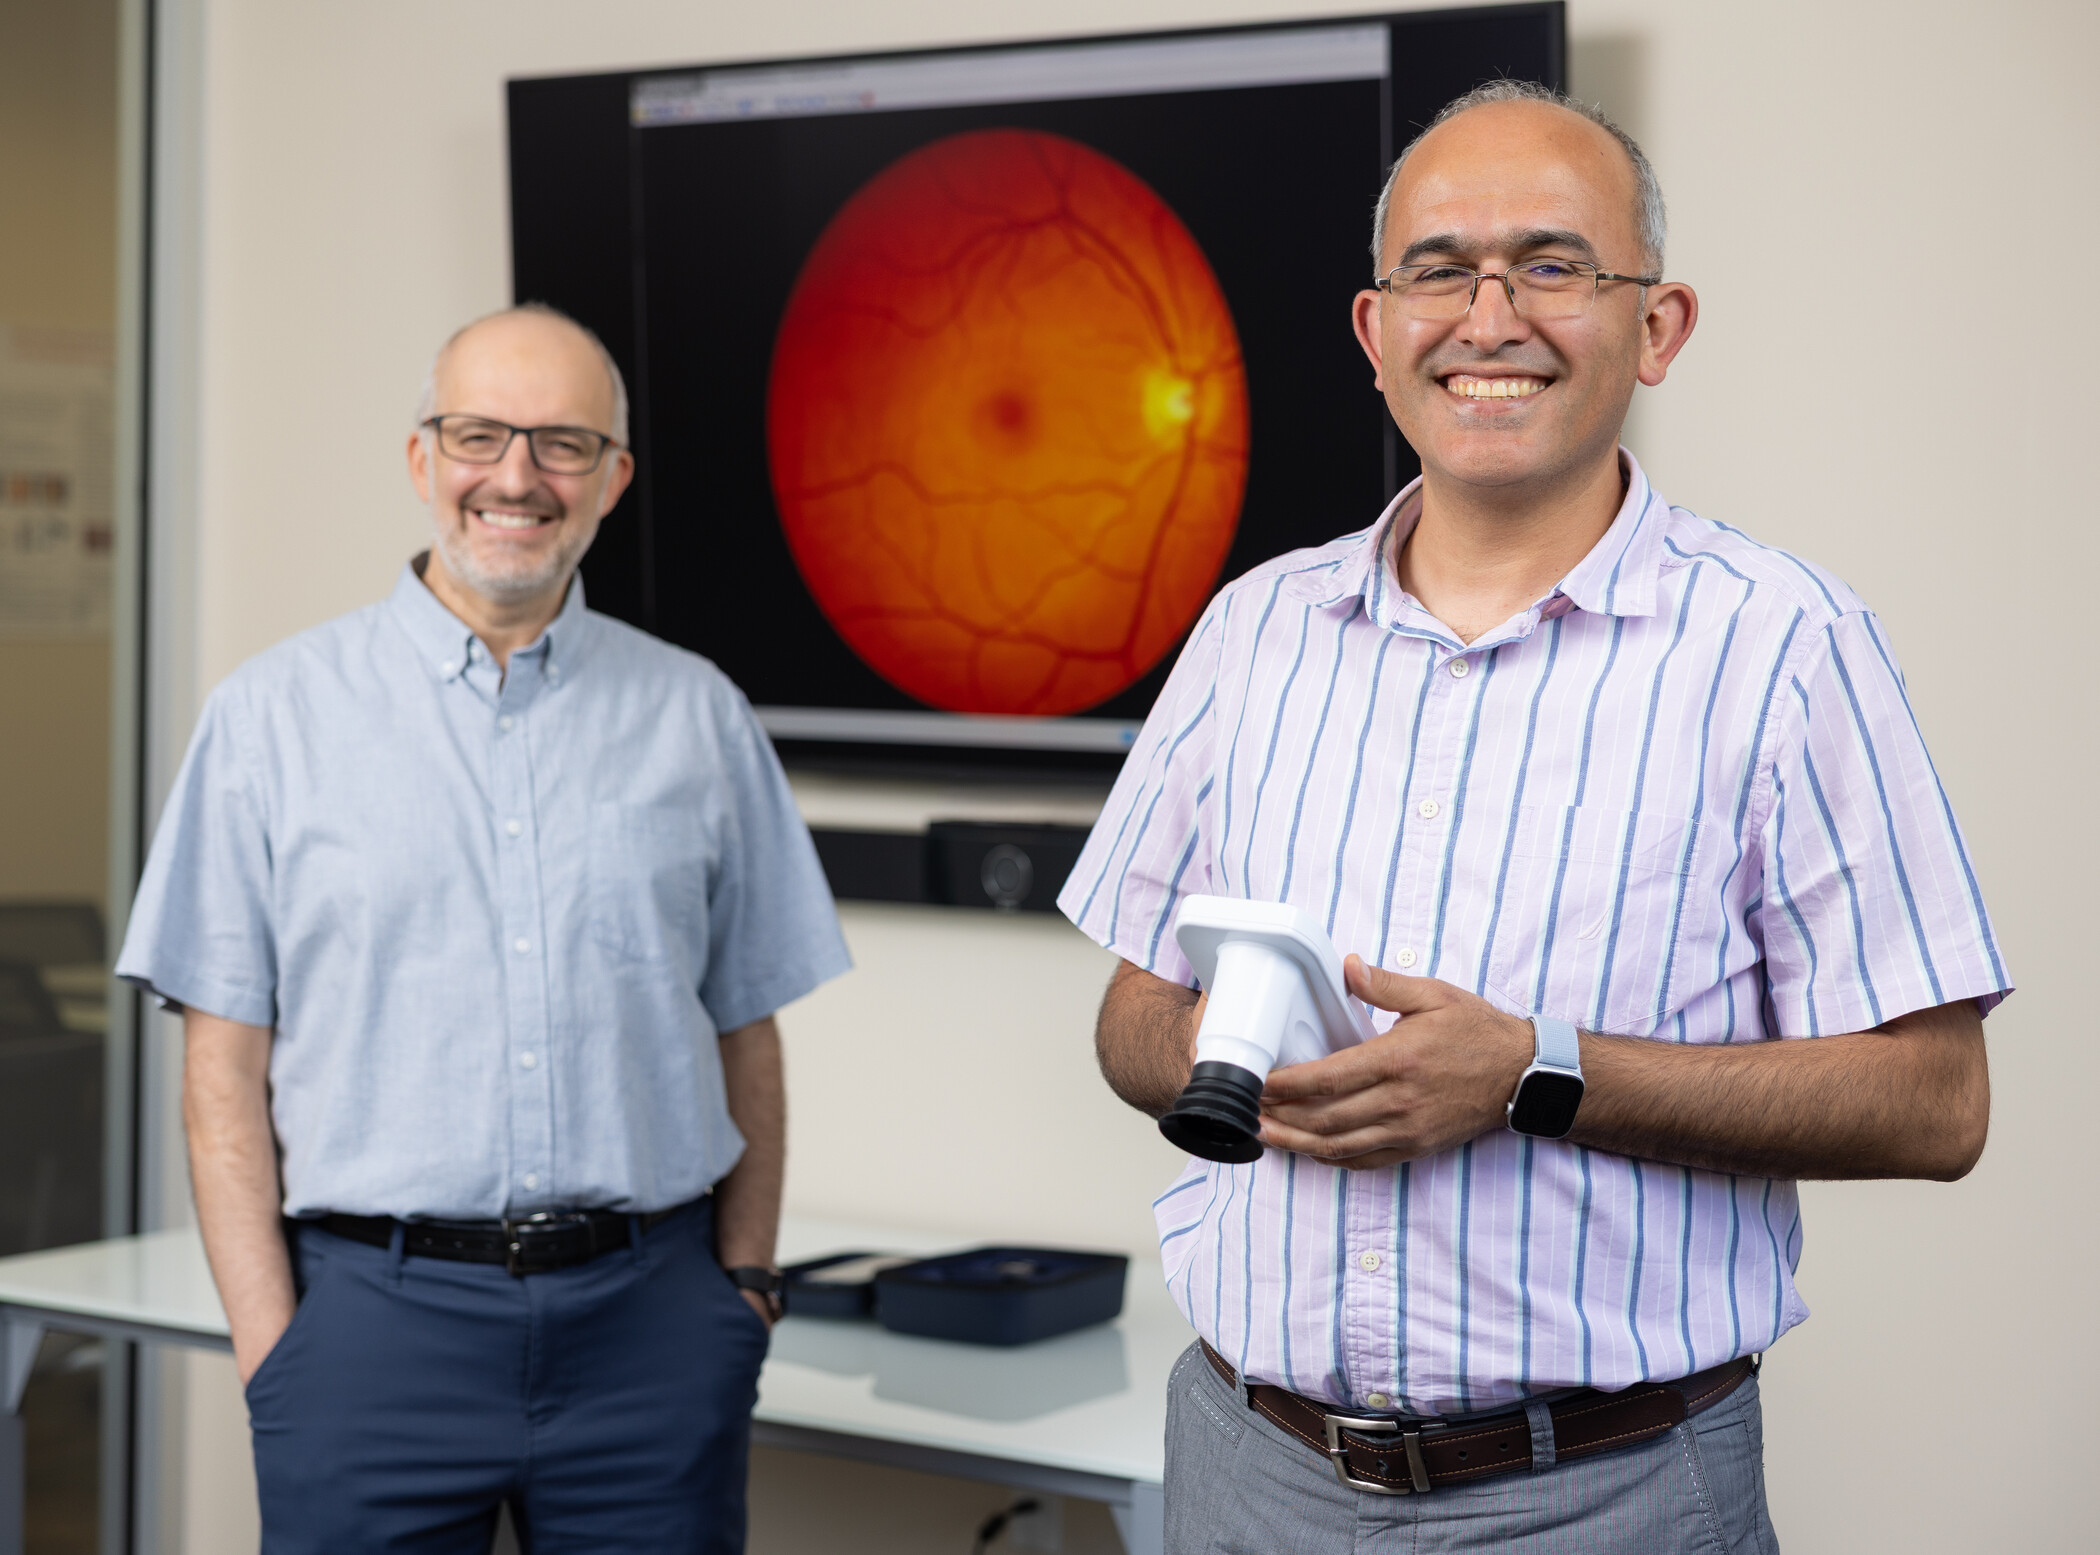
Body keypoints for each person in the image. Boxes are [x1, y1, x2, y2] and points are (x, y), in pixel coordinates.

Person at [1059, 80, 2008, 1552]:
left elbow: (1937, 1103)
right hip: (1249, 1471)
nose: (1488, 316)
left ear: (1659, 325)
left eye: (1554, 264)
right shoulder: (1253, 629)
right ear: (1377, 334)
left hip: (1607, 1496)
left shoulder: (1786, 645)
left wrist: (1529, 1071)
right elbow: (1130, 1016)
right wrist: (1239, 1059)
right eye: (1440, 268)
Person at [116, 304, 849, 1553]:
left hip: (652, 1334)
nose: (516, 476)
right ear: (421, 460)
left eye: (563, 443)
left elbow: (748, 1032)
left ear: (613, 479)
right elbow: (219, 1071)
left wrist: (744, 1290)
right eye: (478, 435)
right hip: (367, 1334)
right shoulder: (268, 720)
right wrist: (271, 1345)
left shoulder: (699, 717)